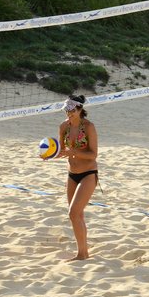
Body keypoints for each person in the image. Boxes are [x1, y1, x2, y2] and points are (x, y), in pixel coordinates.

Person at [56, 94, 98, 261]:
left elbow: (93, 154)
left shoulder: (88, 127)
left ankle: (81, 254)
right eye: (67, 110)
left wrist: (73, 152)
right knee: (77, 215)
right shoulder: (63, 127)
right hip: (72, 174)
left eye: (72, 110)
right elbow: (60, 151)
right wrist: (49, 154)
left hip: (88, 174)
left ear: (80, 109)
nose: (69, 113)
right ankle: (84, 252)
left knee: (73, 213)